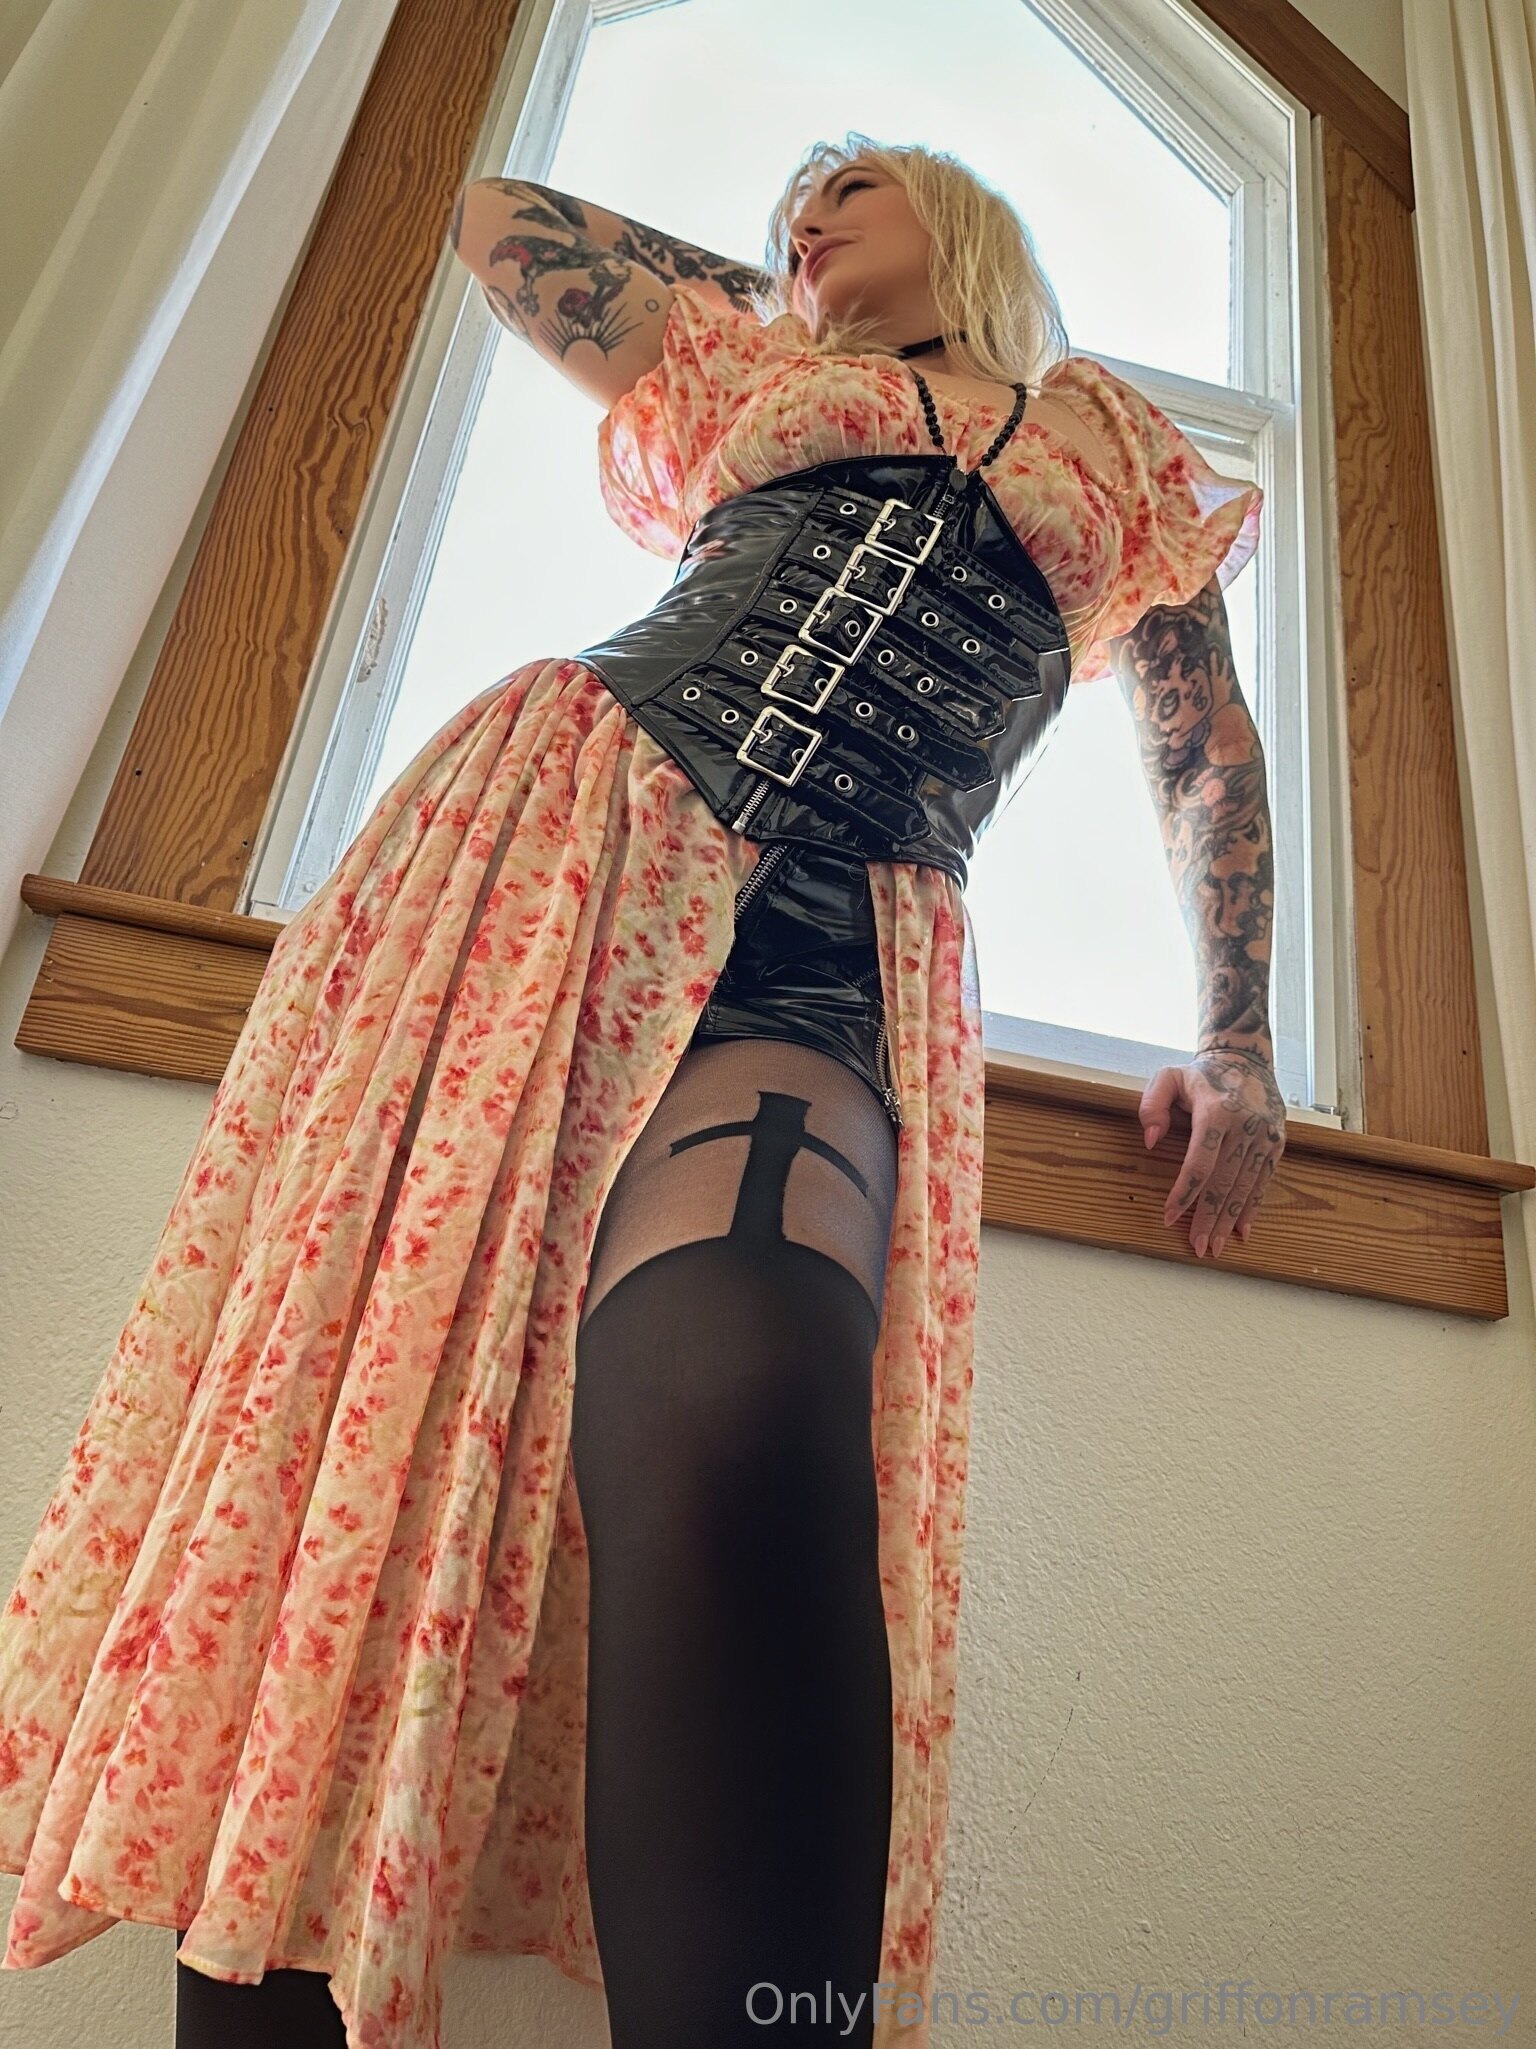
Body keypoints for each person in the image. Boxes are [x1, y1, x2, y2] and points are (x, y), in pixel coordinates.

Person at [0, 134, 1279, 2049]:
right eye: (788, 208)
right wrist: (781, 293)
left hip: (840, 940)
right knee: (370, 1428)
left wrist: (1239, 1033)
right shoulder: (744, 365)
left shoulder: (1111, 447)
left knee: (747, 1394)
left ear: (968, 223)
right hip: (561, 843)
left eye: (852, 186)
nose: (805, 216)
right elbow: (493, 221)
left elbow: (1203, 736)